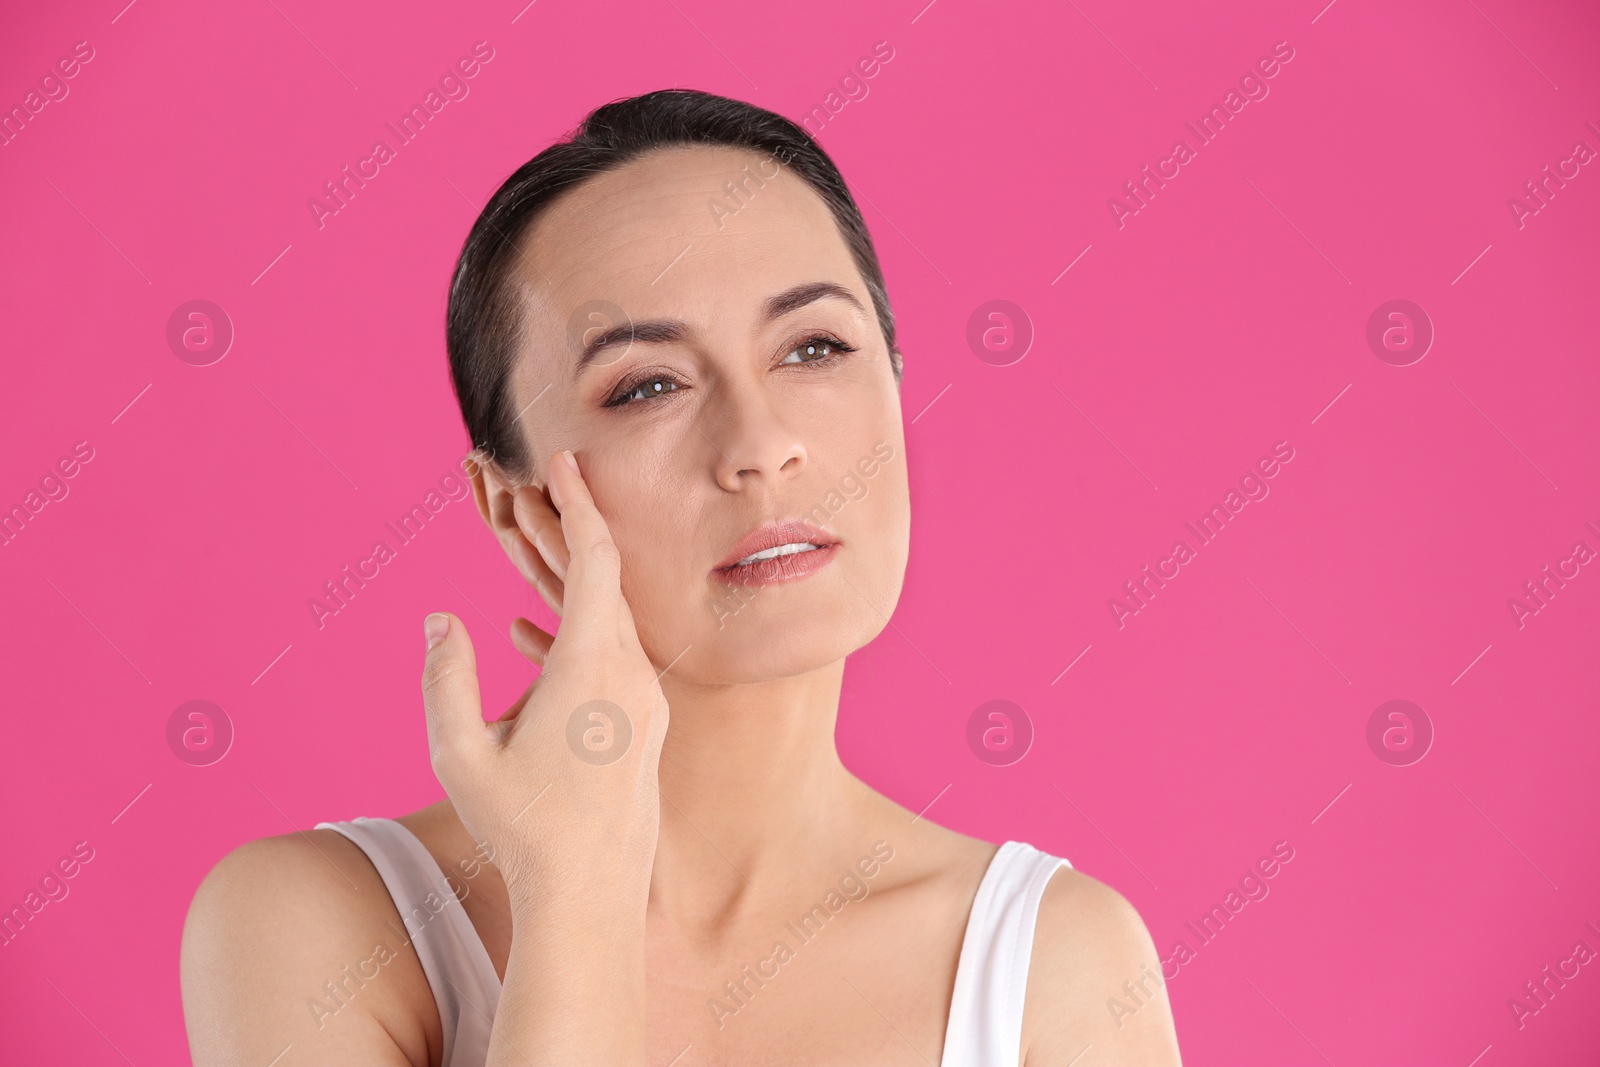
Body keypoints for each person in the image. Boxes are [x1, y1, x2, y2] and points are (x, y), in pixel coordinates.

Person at [180, 88, 1182, 1067]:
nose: (759, 444)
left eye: (815, 346)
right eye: (647, 384)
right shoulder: (319, 925)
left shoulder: (1054, 962)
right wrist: (573, 893)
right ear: (517, 505)